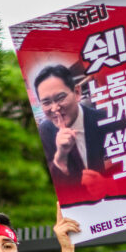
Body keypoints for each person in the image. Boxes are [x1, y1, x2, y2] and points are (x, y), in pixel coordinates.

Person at [35, 64, 113, 201]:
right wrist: (61, 155)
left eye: (60, 98)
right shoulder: (45, 131)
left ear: (77, 92)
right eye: (46, 102)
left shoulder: (107, 120)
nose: (55, 108)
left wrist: (109, 185)